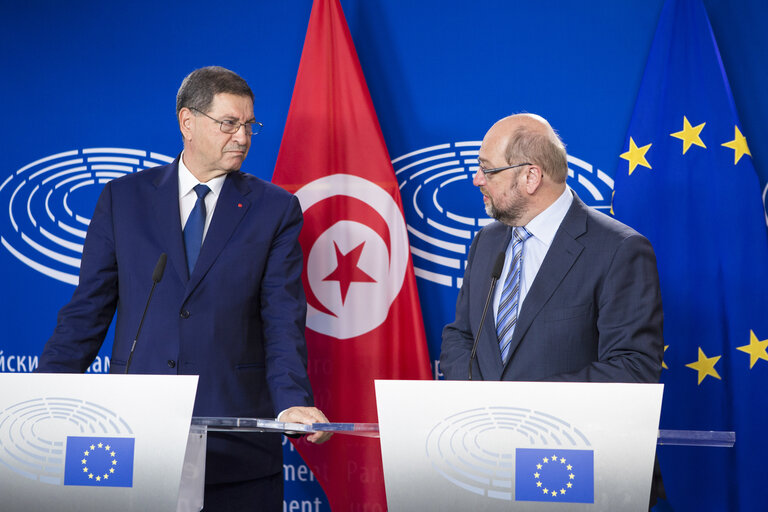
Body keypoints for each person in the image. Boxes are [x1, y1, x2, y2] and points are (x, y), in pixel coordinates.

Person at [37, 66, 329, 511]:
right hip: (136, 437)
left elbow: (282, 317)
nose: (243, 137)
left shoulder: (274, 209)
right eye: (229, 123)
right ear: (187, 122)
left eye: (250, 125)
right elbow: (87, 312)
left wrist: (291, 403)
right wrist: (43, 398)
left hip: (234, 443)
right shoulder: (122, 200)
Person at [440, 113, 665, 505]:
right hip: (488, 469)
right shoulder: (486, 243)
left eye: (487, 170)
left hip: (578, 467)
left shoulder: (619, 250)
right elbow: (460, 337)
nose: (477, 180)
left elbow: (632, 369)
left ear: (530, 177)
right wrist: (483, 408)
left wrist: (521, 407)